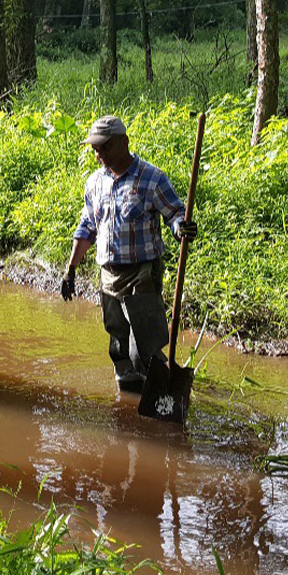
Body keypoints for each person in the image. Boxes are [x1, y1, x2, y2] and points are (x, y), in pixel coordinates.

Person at [60, 115, 197, 393]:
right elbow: (87, 227)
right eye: (95, 149)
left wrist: (180, 226)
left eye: (105, 147)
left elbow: (174, 212)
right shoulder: (94, 183)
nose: (99, 154)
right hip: (109, 275)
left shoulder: (151, 178)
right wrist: (71, 268)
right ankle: (130, 396)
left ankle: (162, 389)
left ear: (124, 143)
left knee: (142, 348)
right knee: (119, 348)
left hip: (143, 273)